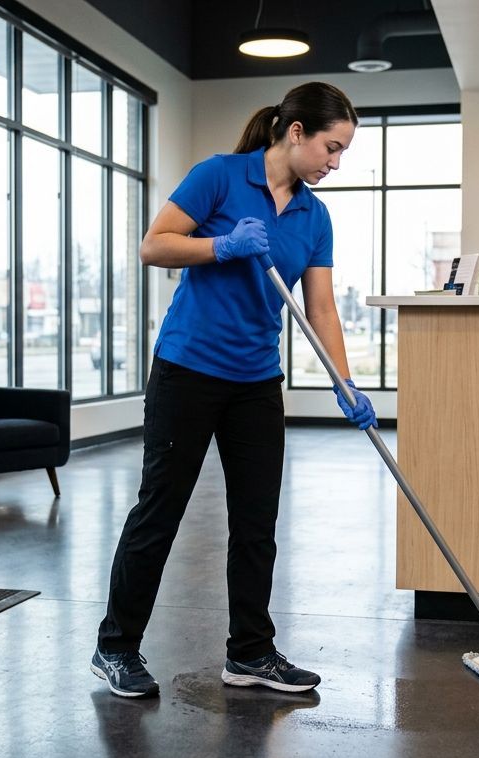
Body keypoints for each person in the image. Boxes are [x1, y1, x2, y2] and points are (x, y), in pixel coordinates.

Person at [92, 82, 378, 699]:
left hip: (255, 380)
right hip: (189, 369)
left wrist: (345, 380)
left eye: (343, 153)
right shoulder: (219, 176)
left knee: (257, 522)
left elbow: (321, 307)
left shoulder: (314, 215)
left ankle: (249, 653)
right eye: (332, 148)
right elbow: (154, 245)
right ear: (295, 132)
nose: (335, 163)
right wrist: (222, 246)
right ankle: (116, 647)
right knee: (159, 512)